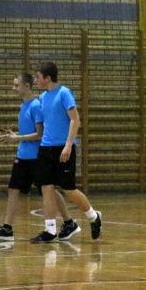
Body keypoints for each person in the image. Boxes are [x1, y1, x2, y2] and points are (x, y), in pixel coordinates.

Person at [0, 73, 74, 240]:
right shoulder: (24, 105)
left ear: (26, 86)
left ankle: (68, 222)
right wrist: (16, 136)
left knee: (49, 191)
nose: (13, 88)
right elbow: (28, 132)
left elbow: (40, 134)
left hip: (36, 157)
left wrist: (17, 138)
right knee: (14, 189)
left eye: (16, 85)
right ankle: (7, 229)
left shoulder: (36, 106)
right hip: (23, 156)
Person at [30, 62, 102, 243]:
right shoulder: (42, 97)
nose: (36, 80)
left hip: (63, 148)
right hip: (46, 148)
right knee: (46, 188)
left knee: (69, 189)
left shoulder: (64, 93)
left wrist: (68, 145)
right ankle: (50, 230)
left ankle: (93, 217)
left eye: (38, 77)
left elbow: (75, 120)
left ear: (47, 78)